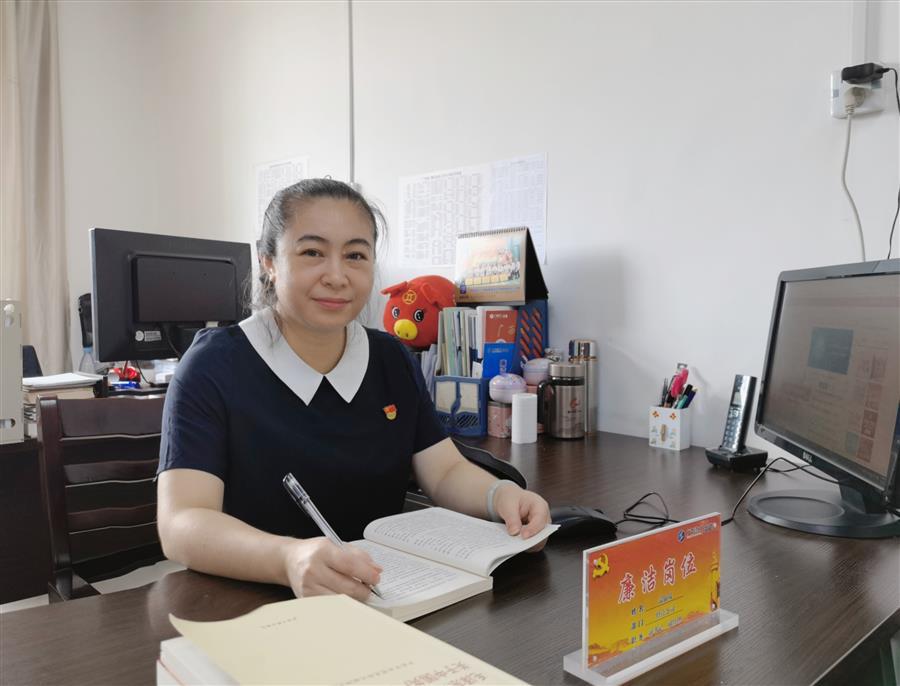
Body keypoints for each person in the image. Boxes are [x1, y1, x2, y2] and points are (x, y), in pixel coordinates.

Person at [157, 178, 550, 602]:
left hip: (381, 594)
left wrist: (500, 496)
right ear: (269, 261)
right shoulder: (214, 366)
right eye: (312, 252)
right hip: (253, 600)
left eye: (355, 255)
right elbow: (182, 522)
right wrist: (287, 559)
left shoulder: (390, 358)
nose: (337, 276)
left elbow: (444, 471)